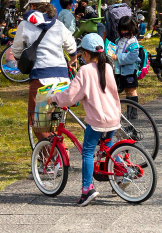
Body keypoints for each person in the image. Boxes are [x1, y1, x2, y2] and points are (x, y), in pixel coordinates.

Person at [44, 33, 121, 206]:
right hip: (113, 116)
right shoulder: (107, 67)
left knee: (87, 151)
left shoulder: (85, 71)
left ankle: (87, 190)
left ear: (85, 54)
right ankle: (119, 175)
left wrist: (55, 98)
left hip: (98, 120)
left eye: (81, 54)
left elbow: (71, 96)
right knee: (107, 149)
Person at [11, 0, 77, 141]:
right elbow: (72, 46)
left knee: (38, 122)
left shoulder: (25, 24)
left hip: (41, 79)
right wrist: (73, 59)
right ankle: (58, 153)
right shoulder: (58, 24)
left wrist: (24, 59)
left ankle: (52, 158)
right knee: (54, 121)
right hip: (62, 79)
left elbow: (16, 50)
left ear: (32, 5)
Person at [110, 16, 141, 115]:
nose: (124, 32)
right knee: (119, 90)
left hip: (129, 70)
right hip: (118, 70)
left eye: (126, 30)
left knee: (131, 90)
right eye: (122, 30)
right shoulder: (119, 40)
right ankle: (118, 113)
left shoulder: (133, 42)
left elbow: (132, 57)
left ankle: (132, 114)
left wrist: (118, 57)